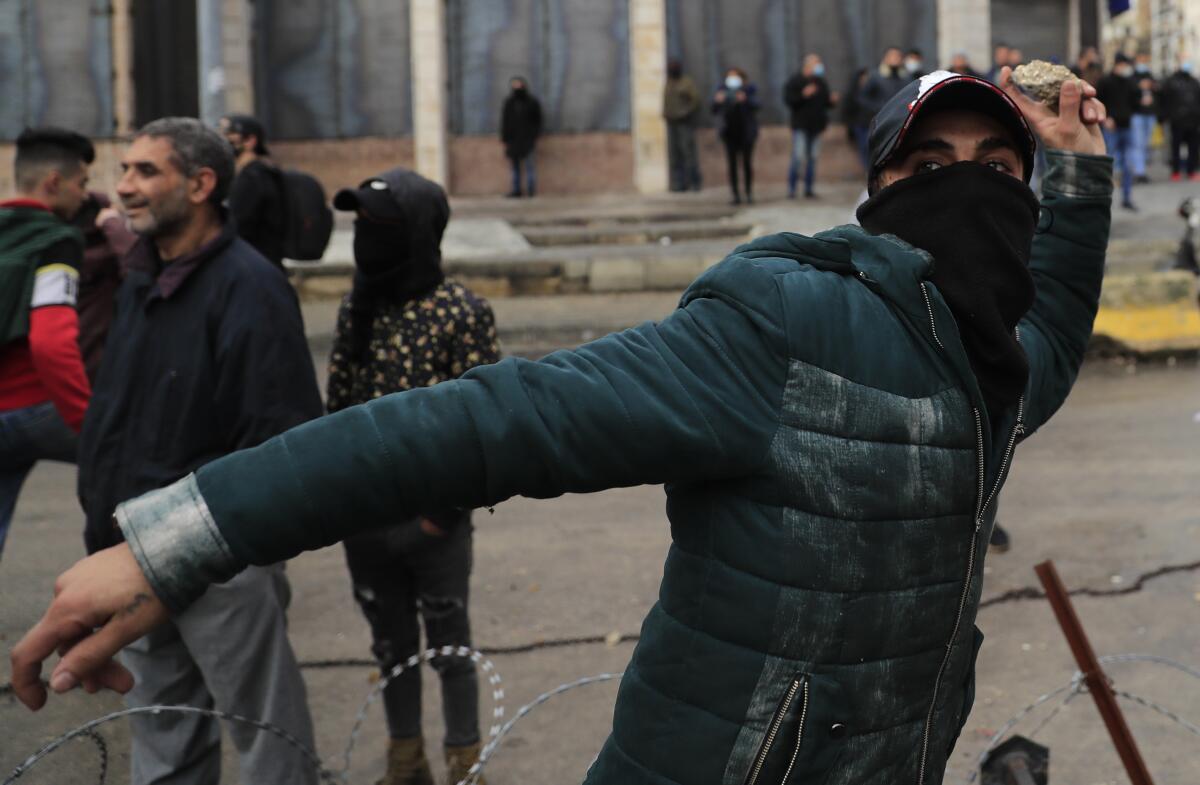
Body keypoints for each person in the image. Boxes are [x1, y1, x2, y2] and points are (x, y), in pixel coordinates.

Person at [12, 71, 1113, 785]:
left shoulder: (989, 371)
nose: (969, 191)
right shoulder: (782, 321)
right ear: (878, 192)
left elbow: (1052, 308)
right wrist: (185, 537)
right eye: (930, 166)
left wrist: (1080, 163)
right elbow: (499, 417)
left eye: (998, 172)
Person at [74, 117, 321, 785]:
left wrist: (210, 543)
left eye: (145, 171)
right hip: (132, 553)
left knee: (270, 740)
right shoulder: (141, 281)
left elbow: (279, 438)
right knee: (164, 743)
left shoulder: (251, 287)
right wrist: (107, 533)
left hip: (218, 564)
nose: (124, 187)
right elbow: (116, 419)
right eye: (123, 170)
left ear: (202, 183)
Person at [328, 168, 501, 785]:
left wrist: (441, 515)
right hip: (366, 524)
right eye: (359, 225)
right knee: (391, 651)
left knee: (450, 648)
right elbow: (337, 416)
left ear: (419, 233)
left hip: (435, 525)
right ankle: (406, 761)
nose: (363, 238)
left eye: (378, 226)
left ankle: (464, 764)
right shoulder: (359, 307)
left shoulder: (461, 312)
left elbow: (485, 428)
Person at [0, 128, 93, 561]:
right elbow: (51, 342)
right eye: (82, 183)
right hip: (37, 406)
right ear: (54, 182)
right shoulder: (57, 239)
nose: (85, 195)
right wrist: (87, 421)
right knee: (137, 468)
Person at [73, 191, 137, 382]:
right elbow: (140, 269)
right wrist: (115, 226)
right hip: (106, 372)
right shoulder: (114, 258)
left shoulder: (53, 253)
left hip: (62, 376)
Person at [218, 114, 287, 267]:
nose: (223, 140)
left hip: (257, 264)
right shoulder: (256, 173)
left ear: (250, 141)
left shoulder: (252, 178)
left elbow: (237, 224)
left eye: (229, 134)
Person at [783, 54, 837, 198]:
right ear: (807, 65)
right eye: (816, 63)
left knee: (813, 157)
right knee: (799, 157)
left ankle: (808, 189)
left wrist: (832, 101)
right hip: (800, 125)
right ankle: (792, 189)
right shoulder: (795, 81)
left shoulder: (820, 82)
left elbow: (826, 103)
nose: (819, 66)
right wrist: (803, 94)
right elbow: (789, 100)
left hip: (817, 125)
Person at [1097, 54, 1142, 209]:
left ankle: (1127, 198)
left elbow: (1137, 101)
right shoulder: (1105, 81)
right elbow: (1097, 102)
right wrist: (1106, 118)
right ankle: (1103, 198)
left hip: (1127, 127)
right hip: (1111, 128)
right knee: (1107, 164)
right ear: (1118, 65)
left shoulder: (1130, 82)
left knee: (1128, 164)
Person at [712, 67, 760, 204]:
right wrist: (718, 100)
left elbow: (757, 105)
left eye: (735, 76)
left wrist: (744, 99)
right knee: (732, 165)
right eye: (730, 76)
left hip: (746, 133)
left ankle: (749, 193)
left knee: (746, 164)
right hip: (729, 133)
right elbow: (713, 109)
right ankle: (735, 195)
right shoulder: (722, 90)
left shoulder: (749, 89)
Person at [663, 59, 703, 192]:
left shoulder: (686, 83)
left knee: (688, 153)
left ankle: (694, 182)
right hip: (671, 122)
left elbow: (696, 100)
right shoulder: (669, 82)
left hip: (684, 123)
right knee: (674, 155)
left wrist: (686, 112)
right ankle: (679, 184)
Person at [500, 77, 543, 198]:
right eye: (515, 86)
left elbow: (537, 121)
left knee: (530, 166)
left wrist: (533, 135)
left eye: (519, 85)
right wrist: (505, 138)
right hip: (513, 141)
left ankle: (531, 190)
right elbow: (505, 122)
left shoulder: (531, 102)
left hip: (527, 140)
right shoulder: (509, 103)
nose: (517, 88)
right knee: (515, 168)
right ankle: (516, 190)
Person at [1159, 60, 1200, 181]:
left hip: (1193, 120)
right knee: (1175, 147)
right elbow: (1164, 100)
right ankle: (1175, 171)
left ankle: (1191, 170)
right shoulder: (1171, 81)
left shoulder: (1194, 81)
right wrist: (1164, 117)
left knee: (1193, 147)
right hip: (1177, 121)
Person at [857, 47, 912, 129]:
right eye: (892, 56)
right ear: (885, 58)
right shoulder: (875, 76)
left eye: (897, 56)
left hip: (901, 121)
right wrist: (877, 108)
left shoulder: (907, 77)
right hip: (879, 120)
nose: (895, 59)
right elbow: (862, 98)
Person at [1131, 53, 1159, 184]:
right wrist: (1138, 88)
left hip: (1149, 114)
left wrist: (1153, 87)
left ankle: (1141, 169)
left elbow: (1159, 92)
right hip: (1137, 114)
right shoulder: (1132, 77)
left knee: (1146, 143)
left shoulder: (1150, 76)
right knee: (1138, 143)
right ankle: (1139, 171)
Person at [843, 67, 875, 171]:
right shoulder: (853, 92)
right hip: (859, 124)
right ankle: (867, 170)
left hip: (871, 123)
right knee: (864, 147)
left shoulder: (872, 91)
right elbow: (847, 109)